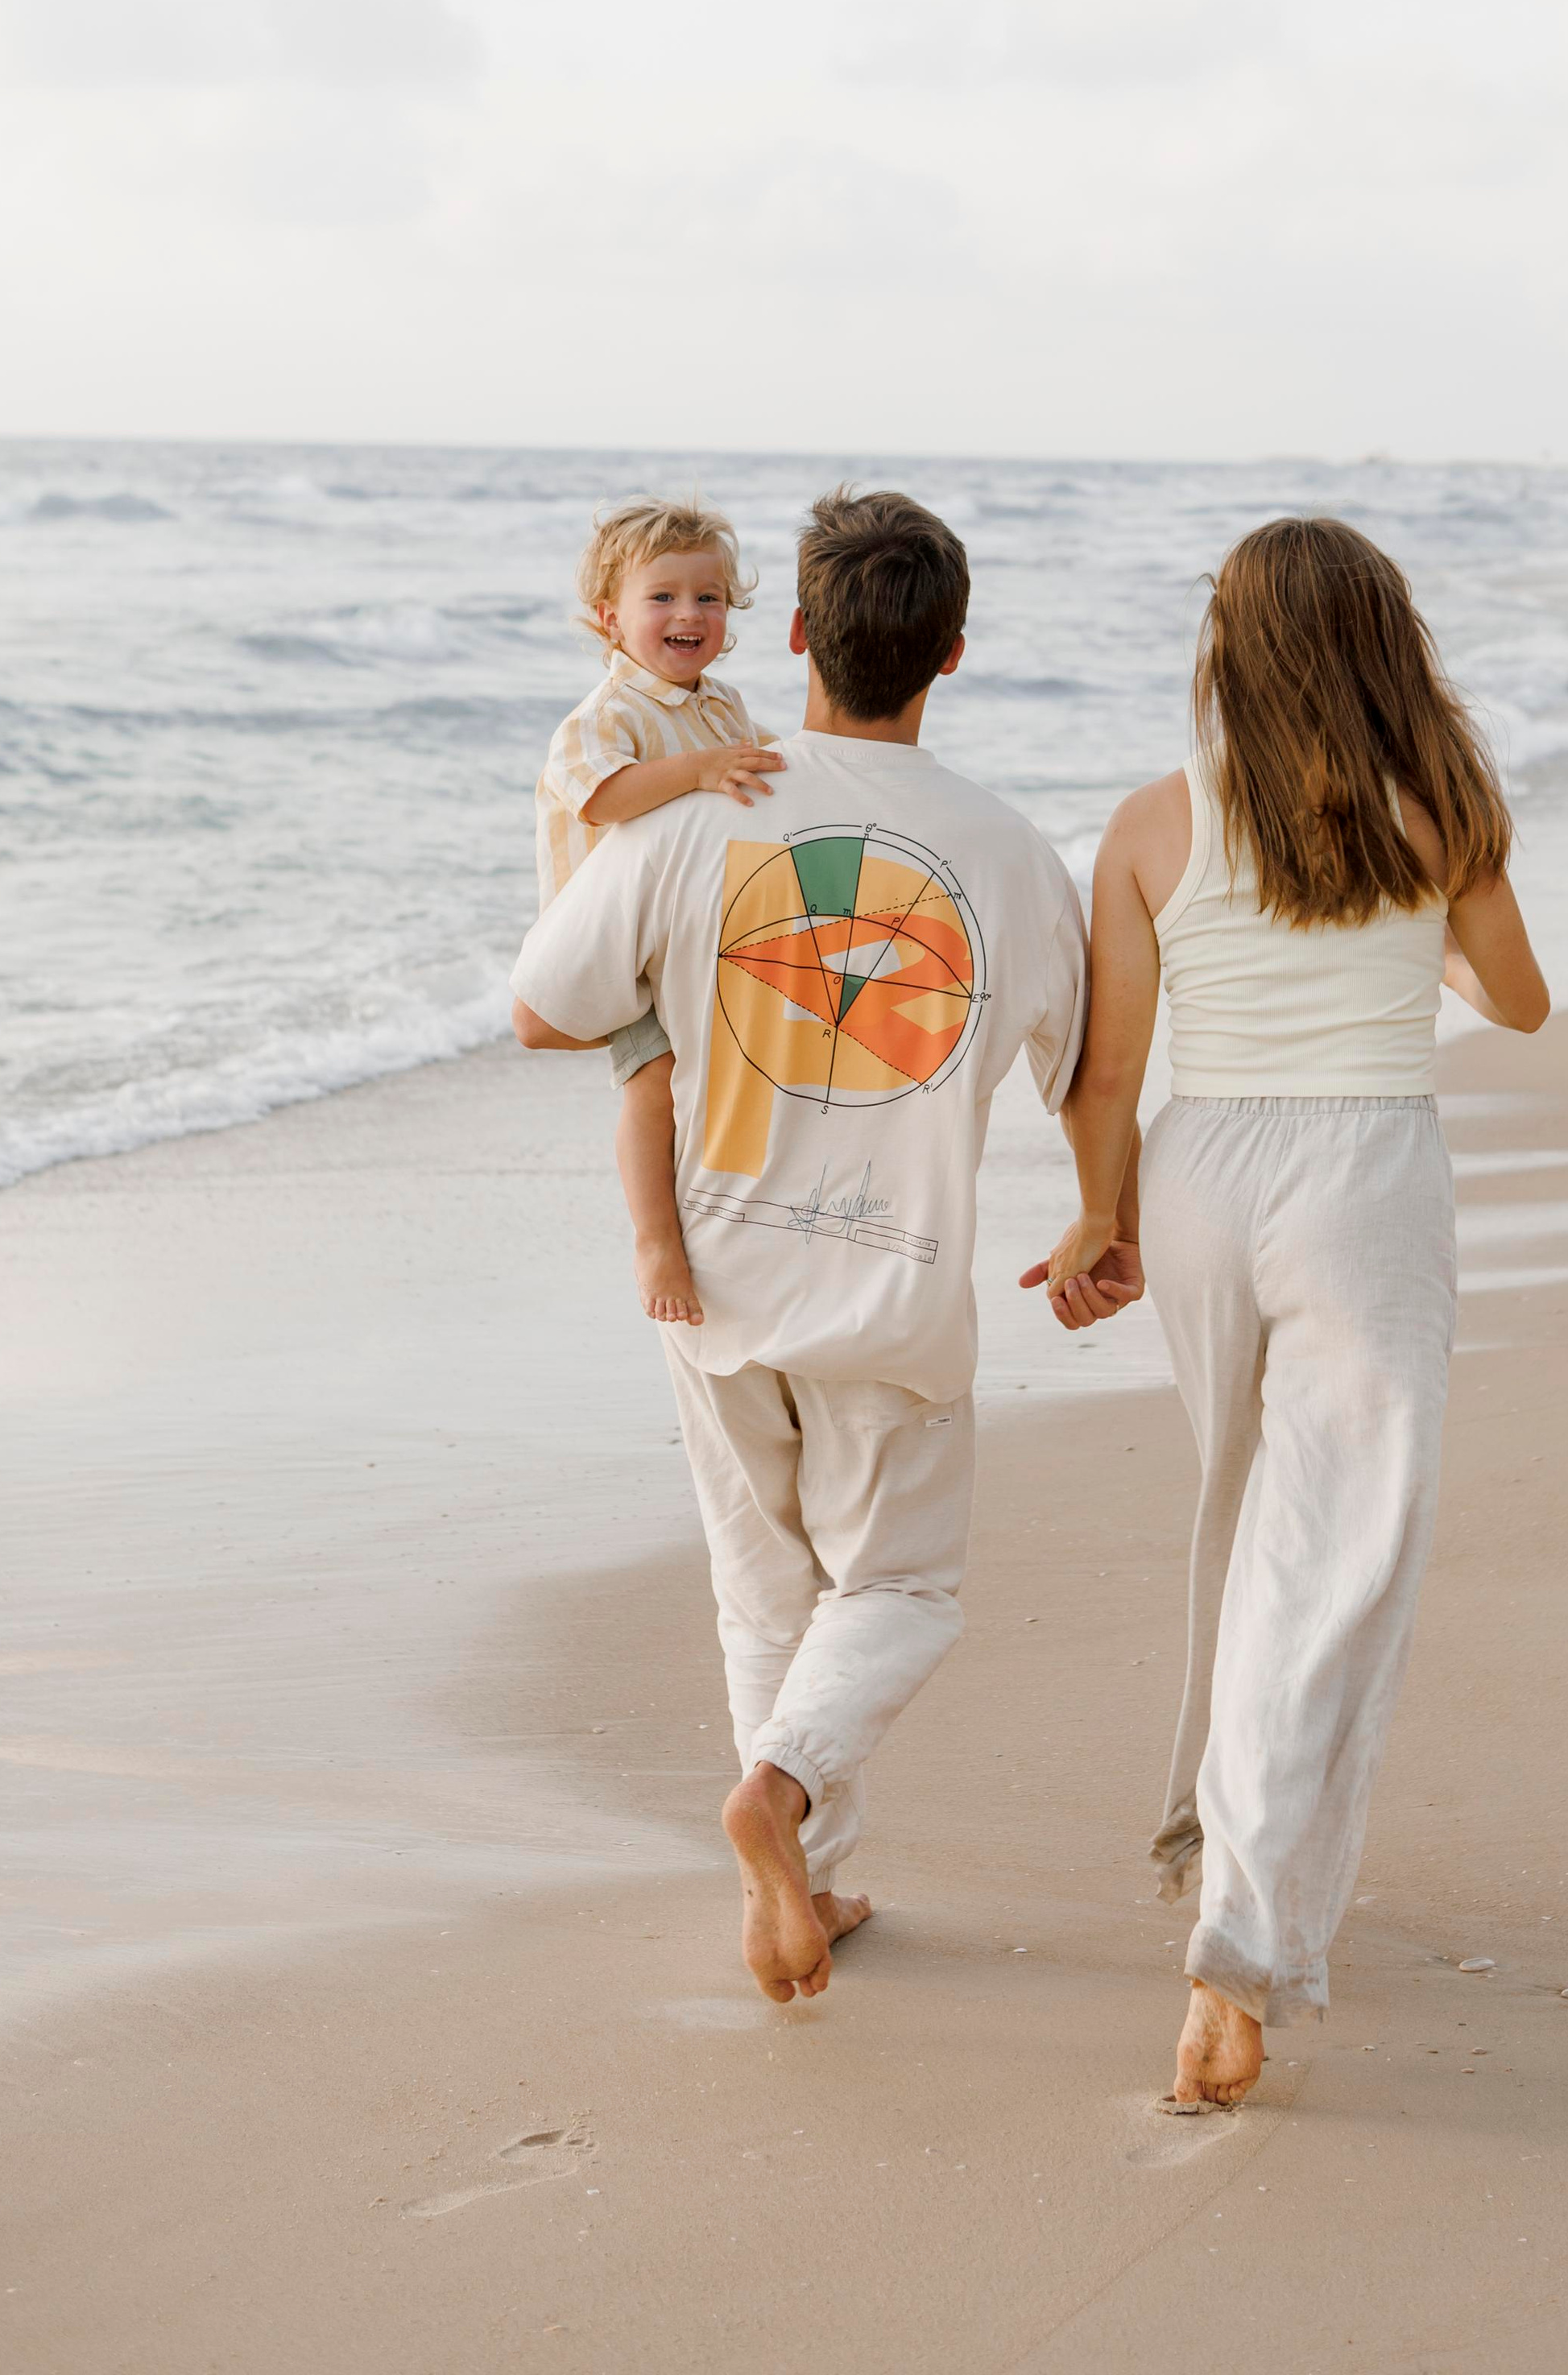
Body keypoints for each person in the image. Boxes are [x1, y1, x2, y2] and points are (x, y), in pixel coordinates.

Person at [512, 488, 1090, 2004]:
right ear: (951, 653)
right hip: (891, 1293)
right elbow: (1083, 1064)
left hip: (709, 1274)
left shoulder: (701, 810)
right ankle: (787, 1803)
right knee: (896, 1591)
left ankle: (809, 1874)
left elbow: (539, 1010)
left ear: (788, 635)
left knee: (765, 1592)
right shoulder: (1017, 856)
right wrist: (1112, 1218)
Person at [1035, 515, 1548, 2108]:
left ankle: (1220, 1834)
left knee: (1242, 1514)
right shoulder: (1438, 809)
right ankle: (1239, 1936)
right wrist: (1420, 935)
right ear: (1385, 645)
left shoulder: (1149, 823)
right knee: (1334, 1556)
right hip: (1364, 1176)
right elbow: (1516, 1000)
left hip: (1201, 1170)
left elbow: (1104, 1071)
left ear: (1225, 647)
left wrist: (1094, 1223)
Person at [534, 495, 784, 1326]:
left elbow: (755, 786)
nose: (689, 613)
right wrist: (702, 770)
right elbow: (607, 799)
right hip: (619, 949)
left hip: (702, 940)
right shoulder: (602, 719)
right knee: (652, 1080)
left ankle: (736, 1200)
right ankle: (654, 1239)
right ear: (609, 619)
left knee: (736, 1073)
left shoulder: (723, 707)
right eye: (663, 597)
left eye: (708, 597)